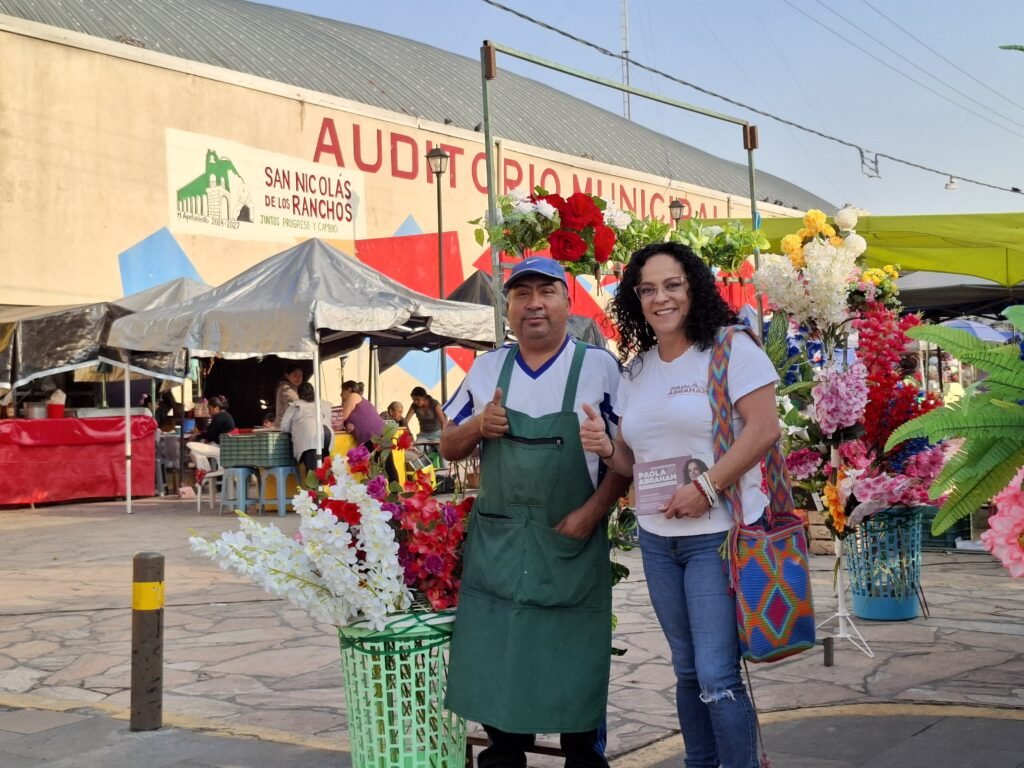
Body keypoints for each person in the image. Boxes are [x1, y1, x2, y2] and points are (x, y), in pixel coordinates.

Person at [579, 242, 780, 768]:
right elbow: (631, 460)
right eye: (647, 289)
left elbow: (763, 430)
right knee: (687, 671)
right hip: (657, 540)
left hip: (718, 536)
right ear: (635, 299)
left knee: (716, 674)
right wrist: (606, 447)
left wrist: (707, 487)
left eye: (672, 285)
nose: (660, 298)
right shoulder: (637, 369)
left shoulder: (731, 349)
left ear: (694, 288)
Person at [440, 256, 629, 768]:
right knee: (499, 650)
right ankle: (503, 756)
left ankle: (583, 757)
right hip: (500, 545)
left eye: (546, 292)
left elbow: (627, 458)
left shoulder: (599, 367)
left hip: (570, 539)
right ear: (508, 307)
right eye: (522, 294)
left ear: (568, 301)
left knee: (573, 651)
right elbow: (449, 446)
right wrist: (479, 425)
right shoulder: (487, 368)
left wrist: (592, 512)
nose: (534, 304)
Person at [340, 380, 397, 483]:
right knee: (386, 466)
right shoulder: (358, 400)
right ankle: (394, 490)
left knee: (375, 468)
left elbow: (342, 417)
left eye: (342, 391)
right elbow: (361, 420)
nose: (341, 394)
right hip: (379, 434)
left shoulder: (353, 396)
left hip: (372, 436)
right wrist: (352, 428)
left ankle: (390, 490)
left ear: (349, 390)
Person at [281, 382, 333, 475]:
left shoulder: (295, 406)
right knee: (324, 470)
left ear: (299, 394)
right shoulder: (322, 404)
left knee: (313, 474)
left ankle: (315, 484)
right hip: (327, 434)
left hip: (310, 438)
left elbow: (284, 427)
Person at [270, 363, 304, 428]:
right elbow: (297, 402)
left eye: (300, 376)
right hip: (283, 427)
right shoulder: (285, 388)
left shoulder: (294, 388)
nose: (298, 378)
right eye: (295, 375)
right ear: (287, 375)